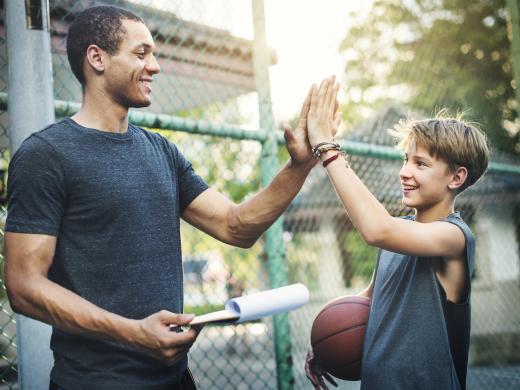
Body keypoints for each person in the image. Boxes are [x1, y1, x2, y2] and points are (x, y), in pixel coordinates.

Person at [3, 5, 319, 389]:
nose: (155, 66)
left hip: (175, 379)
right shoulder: (46, 155)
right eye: (141, 54)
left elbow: (236, 226)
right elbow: (24, 285)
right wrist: (133, 332)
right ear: (97, 58)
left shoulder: (162, 152)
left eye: (153, 54)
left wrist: (299, 166)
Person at [304, 77, 490, 390]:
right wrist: (328, 345)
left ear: (456, 177)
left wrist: (327, 148)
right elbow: (370, 300)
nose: (405, 171)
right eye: (406, 160)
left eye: (421, 164)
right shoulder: (398, 232)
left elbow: (377, 229)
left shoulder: (454, 238)